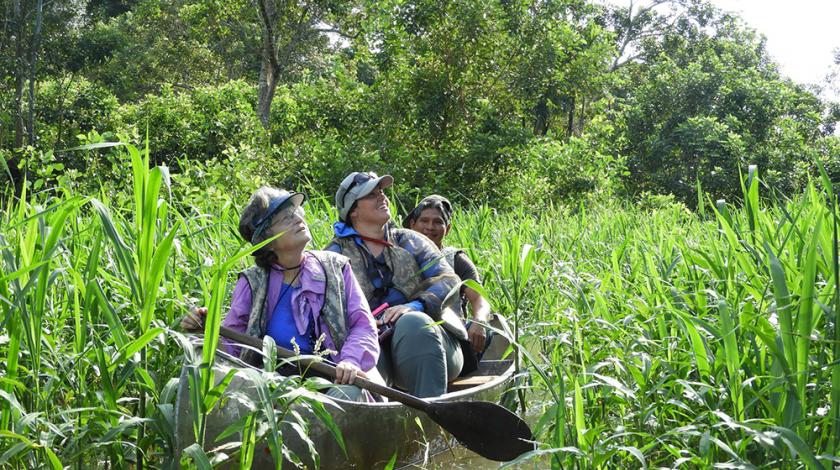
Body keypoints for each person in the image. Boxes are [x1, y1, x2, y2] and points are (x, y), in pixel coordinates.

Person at [181, 187, 381, 401]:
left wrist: (350, 361)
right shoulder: (253, 282)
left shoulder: (336, 268)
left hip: (335, 380)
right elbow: (234, 346)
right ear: (267, 239)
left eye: (296, 213)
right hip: (275, 387)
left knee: (348, 394)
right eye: (286, 218)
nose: (297, 219)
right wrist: (206, 332)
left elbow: (362, 323)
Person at [325, 172, 468, 398]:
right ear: (353, 210)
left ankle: (431, 420)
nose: (382, 197)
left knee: (413, 322)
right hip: (375, 349)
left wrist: (415, 306)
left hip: (430, 346)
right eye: (371, 195)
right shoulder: (334, 255)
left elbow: (448, 281)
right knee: (363, 352)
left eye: (381, 192)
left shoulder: (410, 240)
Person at [402, 195, 491, 358]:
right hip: (408, 332)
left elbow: (479, 299)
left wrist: (480, 321)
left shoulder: (455, 259)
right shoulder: (398, 257)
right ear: (412, 225)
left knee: (489, 332)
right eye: (424, 221)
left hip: (451, 335)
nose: (430, 227)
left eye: (438, 222)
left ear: (447, 228)